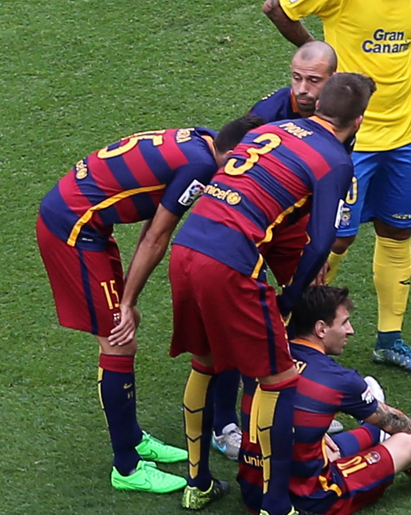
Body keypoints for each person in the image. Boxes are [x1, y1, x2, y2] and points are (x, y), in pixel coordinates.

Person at [168, 73, 375, 513]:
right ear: (358, 120)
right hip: (230, 263)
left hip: (187, 248)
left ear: (319, 103)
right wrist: (292, 294)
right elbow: (321, 242)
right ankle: (276, 505)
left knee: (204, 364)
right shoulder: (335, 160)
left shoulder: (269, 129)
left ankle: (197, 482)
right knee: (278, 379)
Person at [262, 0, 411, 374]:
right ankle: (300, 332)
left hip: (403, 132)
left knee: (397, 229)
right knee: (336, 237)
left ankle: (390, 340)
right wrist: (327, 65)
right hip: (350, 138)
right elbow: (276, 7)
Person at [36, 115, 262, 492]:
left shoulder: (201, 141)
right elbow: (157, 237)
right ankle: (126, 467)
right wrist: (127, 301)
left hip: (87, 222)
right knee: (119, 339)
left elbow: (156, 218)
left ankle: (135, 438)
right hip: (72, 230)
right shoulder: (202, 167)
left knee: (124, 331)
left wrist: (127, 297)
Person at [237, 285, 411, 514]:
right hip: (311, 499)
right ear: (321, 329)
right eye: (345, 323)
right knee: (410, 441)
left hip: (254, 489)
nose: (350, 331)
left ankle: (370, 414)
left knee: (328, 439)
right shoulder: (337, 379)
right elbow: (394, 422)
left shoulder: (267, 354)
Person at [210, 40, 342, 463]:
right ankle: (224, 424)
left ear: (332, 82)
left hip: (289, 227)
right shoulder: (267, 115)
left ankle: (291, 401)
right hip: (248, 230)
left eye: (313, 81)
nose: (302, 89)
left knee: (292, 311)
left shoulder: (338, 118)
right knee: (240, 324)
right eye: (296, 78)